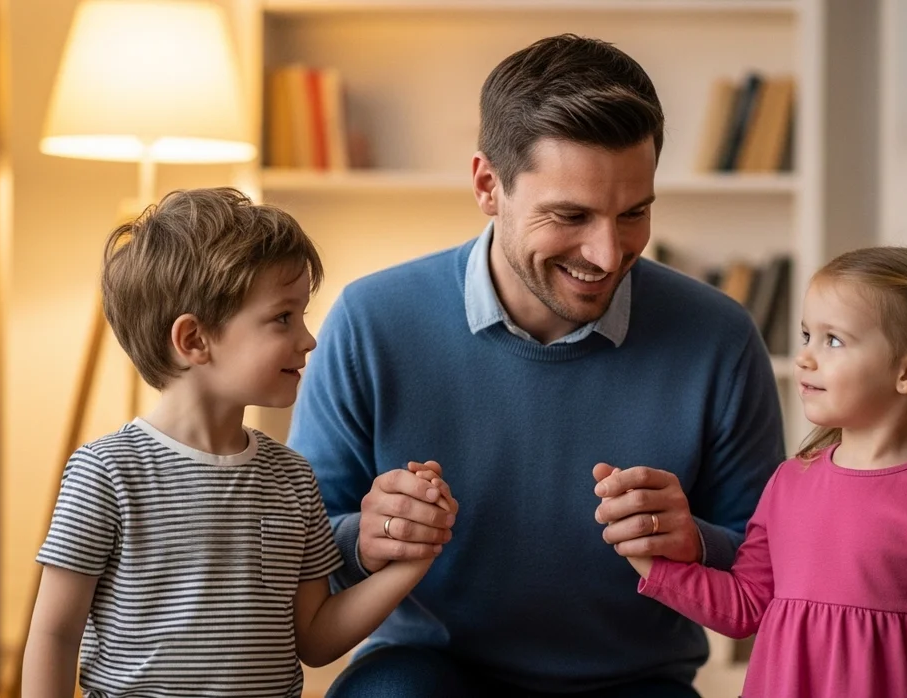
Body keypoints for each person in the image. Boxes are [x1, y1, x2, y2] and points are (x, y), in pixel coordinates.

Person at [287, 33, 786, 697]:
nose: (608, 254)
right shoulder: (371, 321)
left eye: (634, 213)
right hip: (427, 670)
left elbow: (774, 566)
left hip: (636, 681)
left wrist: (694, 542)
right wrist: (367, 535)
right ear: (488, 185)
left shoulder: (719, 337)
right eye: (571, 215)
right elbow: (301, 551)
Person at [21, 188, 453, 698]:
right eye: (283, 317)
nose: (309, 339)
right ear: (195, 340)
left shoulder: (293, 478)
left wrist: (412, 560)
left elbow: (314, 638)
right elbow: (55, 633)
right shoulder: (106, 473)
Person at [620, 246, 907, 697]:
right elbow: (745, 607)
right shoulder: (789, 482)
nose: (805, 358)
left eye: (832, 340)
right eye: (805, 335)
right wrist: (654, 566)